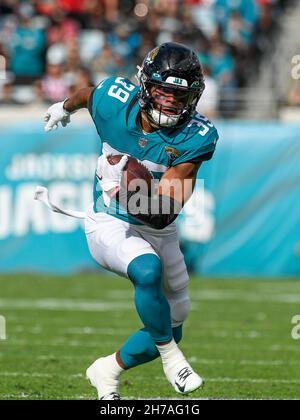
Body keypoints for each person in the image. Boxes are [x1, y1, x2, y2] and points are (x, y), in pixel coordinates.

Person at [44, 42, 219, 400]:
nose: (171, 100)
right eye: (163, 90)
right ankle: (173, 361)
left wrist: (129, 187)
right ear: (145, 86)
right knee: (147, 270)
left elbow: (163, 215)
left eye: (180, 94)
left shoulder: (196, 137)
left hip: (157, 224)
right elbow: (88, 96)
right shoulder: (113, 99)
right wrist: (63, 107)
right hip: (107, 222)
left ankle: (106, 370)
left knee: (172, 322)